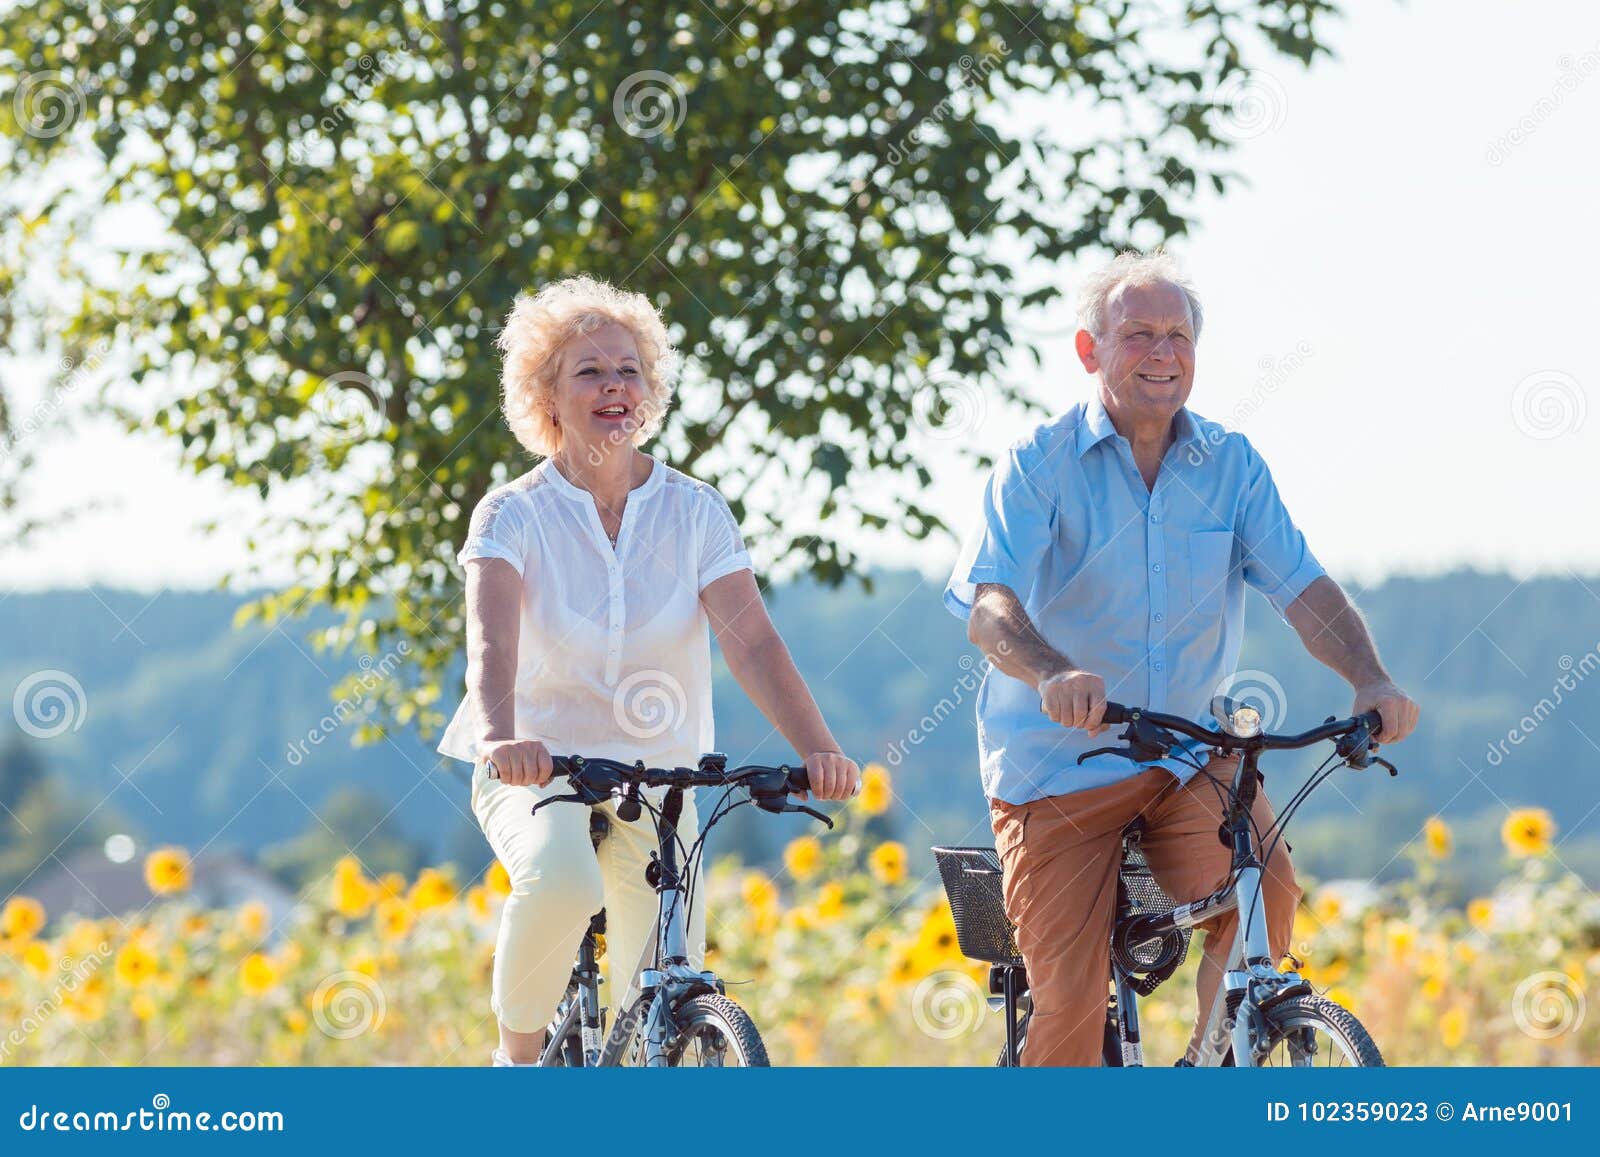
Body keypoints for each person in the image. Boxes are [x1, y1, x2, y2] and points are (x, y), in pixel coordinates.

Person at [943, 250, 1419, 1066]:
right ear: (1091, 351)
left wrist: (1369, 676)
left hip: (1187, 755)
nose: (1162, 353)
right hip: (1057, 771)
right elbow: (989, 609)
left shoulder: (1230, 465)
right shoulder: (1039, 461)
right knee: (1067, 1013)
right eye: (1138, 335)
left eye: (1178, 335)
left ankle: (1210, 1066)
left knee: (1263, 895)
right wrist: (1052, 671)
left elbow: (1303, 589)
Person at [437, 276, 859, 1066]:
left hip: (661, 776)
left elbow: (754, 643)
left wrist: (818, 748)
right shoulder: (511, 513)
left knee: (663, 984)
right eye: (588, 371)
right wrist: (501, 736)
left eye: (628, 369)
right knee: (563, 881)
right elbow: (491, 647)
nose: (613, 387)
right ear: (548, 395)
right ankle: (514, 1064)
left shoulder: (694, 509)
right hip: (538, 765)